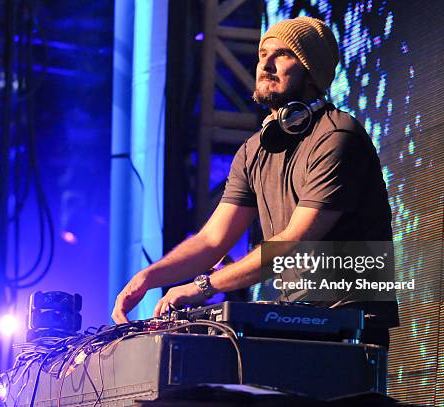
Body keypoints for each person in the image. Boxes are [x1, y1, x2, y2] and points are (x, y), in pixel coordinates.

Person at [111, 17, 398, 347]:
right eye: (263, 53)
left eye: (283, 54)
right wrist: (148, 278)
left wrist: (203, 286)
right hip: (297, 318)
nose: (266, 64)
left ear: (311, 70)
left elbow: (295, 241)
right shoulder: (253, 150)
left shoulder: (337, 136)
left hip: (352, 324)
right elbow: (211, 240)